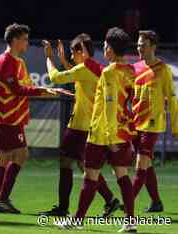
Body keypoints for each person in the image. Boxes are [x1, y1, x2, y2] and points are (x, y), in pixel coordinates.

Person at [55, 27, 137, 233]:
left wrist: (108, 136)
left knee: (90, 177)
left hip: (102, 132)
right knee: (122, 175)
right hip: (120, 131)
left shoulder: (109, 72)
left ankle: (77, 220)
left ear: (110, 49)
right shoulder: (130, 71)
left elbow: (109, 104)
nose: (105, 49)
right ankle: (130, 222)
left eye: (106, 46)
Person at [39, 34, 120, 218]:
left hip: (81, 126)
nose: (71, 57)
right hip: (83, 125)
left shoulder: (84, 69)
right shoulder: (93, 68)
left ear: (80, 51)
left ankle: (70, 207)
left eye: (72, 53)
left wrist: (49, 58)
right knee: (76, 163)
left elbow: (55, 77)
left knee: (78, 165)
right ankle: (106, 201)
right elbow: (78, 75)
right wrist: (62, 60)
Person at [0, 23, 67, 214]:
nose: (26, 43)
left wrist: (44, 91)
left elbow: (25, 88)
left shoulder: (18, 62)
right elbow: (17, 90)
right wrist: (45, 91)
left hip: (12, 117)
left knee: (5, 156)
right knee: (21, 154)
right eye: (24, 39)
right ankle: (0, 198)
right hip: (8, 118)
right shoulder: (6, 61)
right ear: (15, 40)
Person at [131, 30, 178, 212]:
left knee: (140, 164)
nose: (139, 48)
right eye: (138, 45)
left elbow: (172, 100)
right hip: (136, 124)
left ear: (153, 46)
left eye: (143, 45)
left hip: (152, 125)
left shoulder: (163, 70)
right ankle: (156, 202)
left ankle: (126, 203)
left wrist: (176, 127)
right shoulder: (135, 68)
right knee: (147, 164)